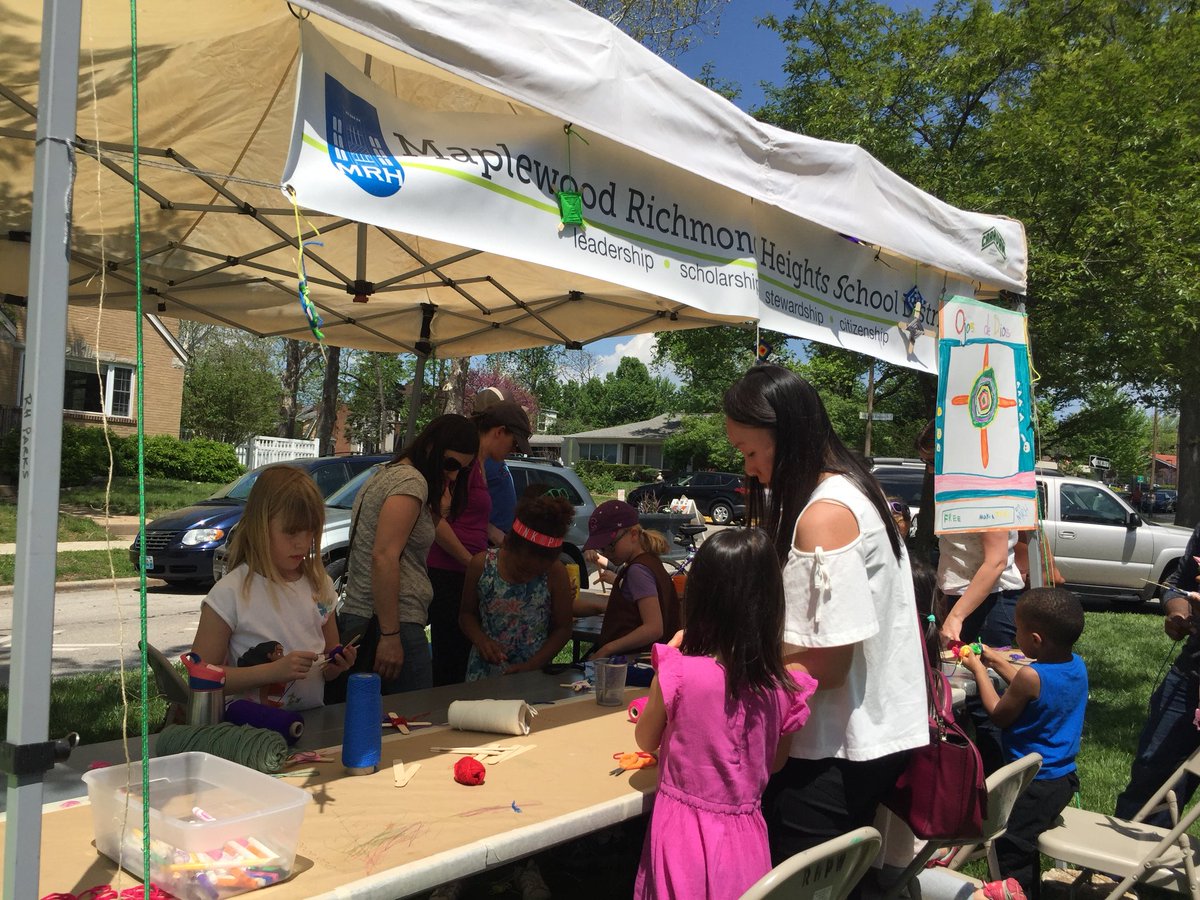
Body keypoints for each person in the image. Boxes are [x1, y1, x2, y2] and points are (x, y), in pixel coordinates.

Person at [722, 364, 927, 868]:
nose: (747, 468)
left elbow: (827, 665)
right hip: (869, 734)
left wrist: (726, 656)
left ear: (786, 436)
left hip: (835, 747)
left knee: (805, 875)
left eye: (750, 452)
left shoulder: (823, 516)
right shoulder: (854, 490)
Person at [633, 528, 817, 899]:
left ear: (701, 598)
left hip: (679, 842)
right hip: (746, 845)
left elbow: (645, 738)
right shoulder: (784, 688)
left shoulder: (679, 672)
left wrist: (667, 671)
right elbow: (776, 763)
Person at [191, 465, 357, 710]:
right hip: (248, 733)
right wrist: (271, 672)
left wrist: (337, 664)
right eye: (291, 532)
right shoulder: (230, 593)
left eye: (310, 531)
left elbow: (327, 665)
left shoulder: (319, 585)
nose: (302, 543)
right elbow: (199, 677)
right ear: (260, 526)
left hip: (308, 725)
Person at [960, 587, 1088, 900]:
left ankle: (1016, 893)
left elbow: (999, 715)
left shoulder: (1031, 677)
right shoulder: (1076, 665)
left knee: (1012, 847)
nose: (1015, 634)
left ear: (1035, 639)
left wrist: (979, 671)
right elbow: (1028, 681)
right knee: (1024, 841)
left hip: (1033, 784)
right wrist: (994, 659)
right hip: (1062, 779)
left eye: (1018, 629)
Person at [339, 414, 478, 695]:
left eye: (462, 469)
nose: (453, 475)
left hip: (366, 616)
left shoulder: (387, 474)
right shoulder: (411, 483)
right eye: (451, 464)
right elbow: (384, 556)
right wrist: (391, 636)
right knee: (415, 722)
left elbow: (420, 529)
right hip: (391, 620)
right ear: (431, 447)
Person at [427, 399, 532, 686]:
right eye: (513, 443)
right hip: (447, 571)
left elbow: (470, 517)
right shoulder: (466, 463)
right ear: (498, 431)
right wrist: (471, 561)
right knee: (452, 658)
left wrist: (504, 544)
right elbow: (436, 520)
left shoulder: (482, 466)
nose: (513, 451)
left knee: (464, 654)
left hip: (467, 569)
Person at [1115, 519, 1200, 824]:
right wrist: (1178, 611)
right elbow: (1179, 584)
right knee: (1152, 771)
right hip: (1190, 676)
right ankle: (1125, 866)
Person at [459, 486, 575, 679]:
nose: (526, 576)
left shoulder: (555, 573)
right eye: (522, 568)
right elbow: (466, 615)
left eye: (538, 572)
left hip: (533, 674)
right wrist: (481, 640)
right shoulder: (482, 565)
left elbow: (563, 628)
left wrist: (533, 665)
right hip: (485, 674)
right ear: (508, 544)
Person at [582, 500, 681, 659]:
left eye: (611, 545)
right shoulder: (649, 561)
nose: (606, 552)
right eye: (602, 548)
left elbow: (654, 628)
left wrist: (608, 649)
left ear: (633, 534)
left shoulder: (637, 571)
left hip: (637, 663)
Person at [471, 387, 519, 539]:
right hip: (486, 540)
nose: (514, 448)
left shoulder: (493, 454)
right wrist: (491, 531)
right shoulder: (469, 458)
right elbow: (454, 510)